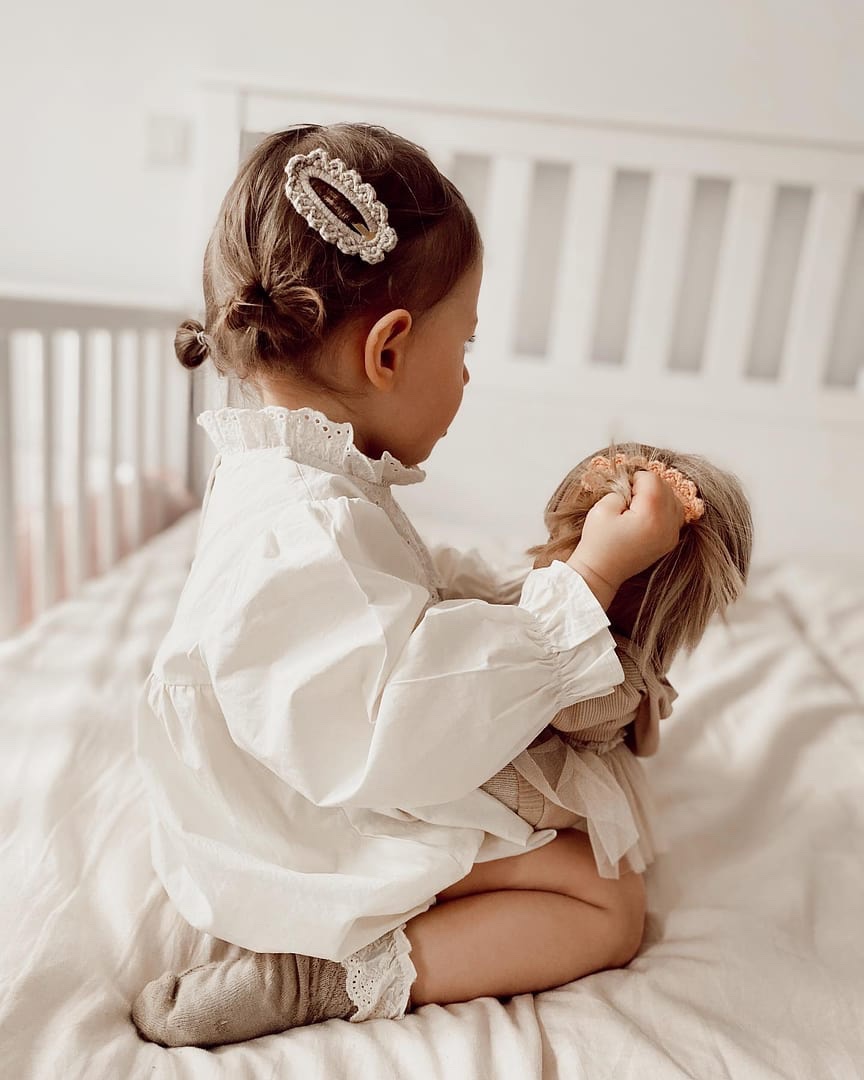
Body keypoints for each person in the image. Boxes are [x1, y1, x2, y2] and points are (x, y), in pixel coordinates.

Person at [130, 123, 685, 1048]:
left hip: (313, 770)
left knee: (579, 817)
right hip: (300, 830)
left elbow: (396, 605)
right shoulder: (309, 520)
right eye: (464, 343)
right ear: (387, 352)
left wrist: (536, 587)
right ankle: (326, 976)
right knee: (607, 900)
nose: (466, 371)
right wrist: (587, 580)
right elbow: (411, 729)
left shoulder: (300, 476)